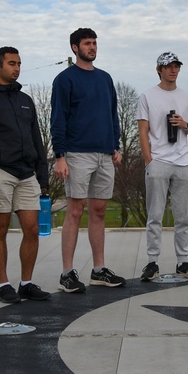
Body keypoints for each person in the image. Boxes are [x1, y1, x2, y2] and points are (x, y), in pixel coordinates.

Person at [0, 47, 51, 304]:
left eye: (19, 63)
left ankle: (26, 283)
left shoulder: (26, 100)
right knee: (0, 229)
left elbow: (37, 140)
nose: (16, 68)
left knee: (32, 229)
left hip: (27, 174)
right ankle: (4, 285)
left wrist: (42, 174)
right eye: (11, 63)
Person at [51, 28, 126, 293]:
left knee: (99, 211)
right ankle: (67, 274)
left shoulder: (105, 78)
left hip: (105, 154)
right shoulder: (65, 80)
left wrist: (115, 145)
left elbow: (112, 113)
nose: (92, 47)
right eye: (87, 43)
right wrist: (59, 156)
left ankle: (98, 270)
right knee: (74, 211)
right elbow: (58, 118)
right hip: (77, 153)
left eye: (94, 43)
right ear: (75, 47)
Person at [136, 52, 188, 282]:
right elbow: (142, 131)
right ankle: (152, 262)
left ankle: (182, 262)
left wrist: (184, 124)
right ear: (159, 69)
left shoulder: (187, 97)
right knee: (154, 216)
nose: (173, 70)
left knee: (183, 217)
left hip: (184, 162)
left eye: (176, 66)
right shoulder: (147, 96)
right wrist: (149, 161)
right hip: (159, 162)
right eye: (168, 67)